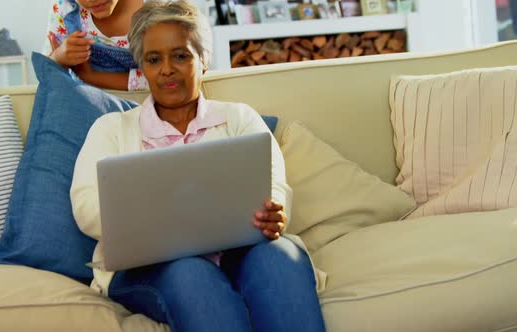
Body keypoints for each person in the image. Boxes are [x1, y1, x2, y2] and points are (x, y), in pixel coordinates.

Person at [70, 0, 326, 331]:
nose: (166, 69)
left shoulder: (239, 118)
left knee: (279, 256)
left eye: (180, 55)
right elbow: (86, 207)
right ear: (142, 66)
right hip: (149, 266)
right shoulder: (111, 129)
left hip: (240, 251)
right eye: (153, 59)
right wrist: (158, 212)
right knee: (191, 271)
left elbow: (272, 183)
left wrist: (274, 210)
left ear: (203, 59)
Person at [44, 0, 148, 91]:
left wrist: (91, 77)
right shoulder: (66, 9)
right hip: (88, 104)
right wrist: (59, 58)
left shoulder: (158, 9)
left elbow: (160, 78)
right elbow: (46, 72)